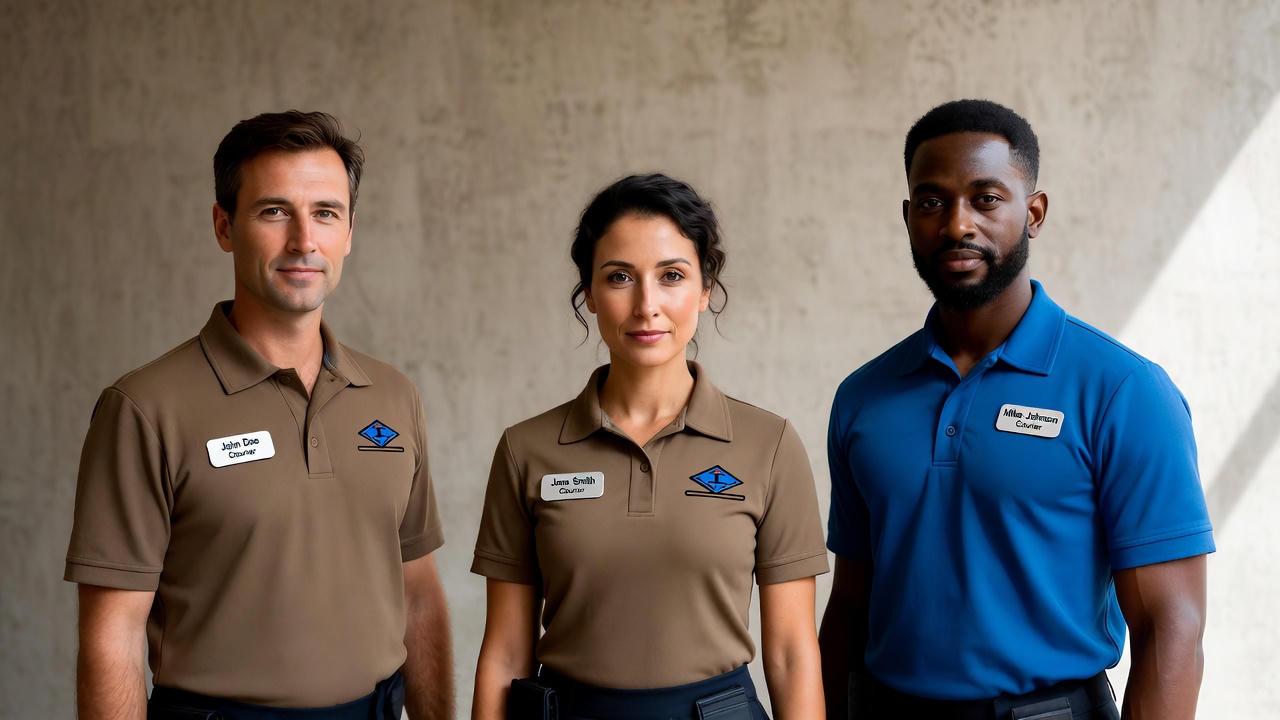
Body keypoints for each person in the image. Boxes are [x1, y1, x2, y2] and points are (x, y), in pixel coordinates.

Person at [818, 99, 1215, 720]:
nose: (957, 225)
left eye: (986, 198)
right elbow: (849, 605)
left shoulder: (1122, 391)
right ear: (908, 218)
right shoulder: (865, 396)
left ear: (1033, 213)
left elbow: (1173, 626)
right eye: (931, 202)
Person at [65, 111, 454, 719]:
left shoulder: (392, 396)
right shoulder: (144, 408)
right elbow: (112, 633)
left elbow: (421, 596)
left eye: (325, 212)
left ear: (349, 231)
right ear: (224, 226)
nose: (304, 240)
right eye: (274, 211)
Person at [471, 173, 829, 719]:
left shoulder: (769, 445)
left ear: (705, 290)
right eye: (619, 277)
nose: (647, 305)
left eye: (671, 276)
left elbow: (791, 656)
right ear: (588, 293)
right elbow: (505, 653)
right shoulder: (527, 450)